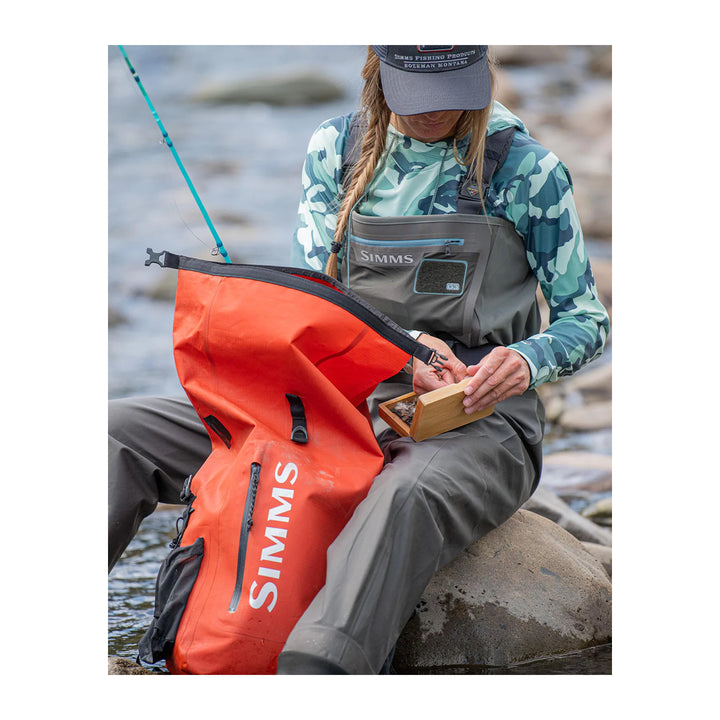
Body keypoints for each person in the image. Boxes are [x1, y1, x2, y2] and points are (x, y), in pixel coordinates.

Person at [108, 45, 609, 674]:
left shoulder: (529, 172)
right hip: (333, 399)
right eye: (417, 94)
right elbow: (311, 308)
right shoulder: (335, 150)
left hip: (477, 419)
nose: (436, 110)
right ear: (378, 74)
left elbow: (586, 319)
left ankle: (318, 673)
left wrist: (526, 360)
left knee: (402, 497)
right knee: (118, 433)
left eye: (453, 90)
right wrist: (399, 350)